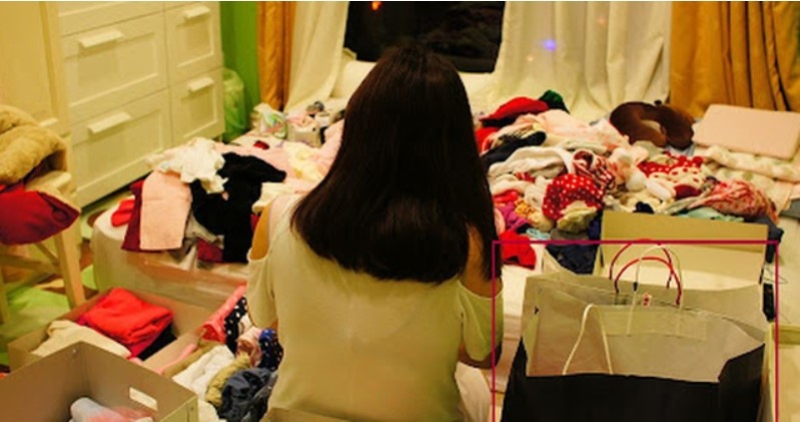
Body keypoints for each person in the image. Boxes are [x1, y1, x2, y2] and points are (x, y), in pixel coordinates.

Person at [247, 44, 503, 421]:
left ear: (355, 126)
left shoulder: (278, 218)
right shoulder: (469, 240)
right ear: (456, 143)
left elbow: (265, 319)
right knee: (474, 386)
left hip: (295, 415)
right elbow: (483, 353)